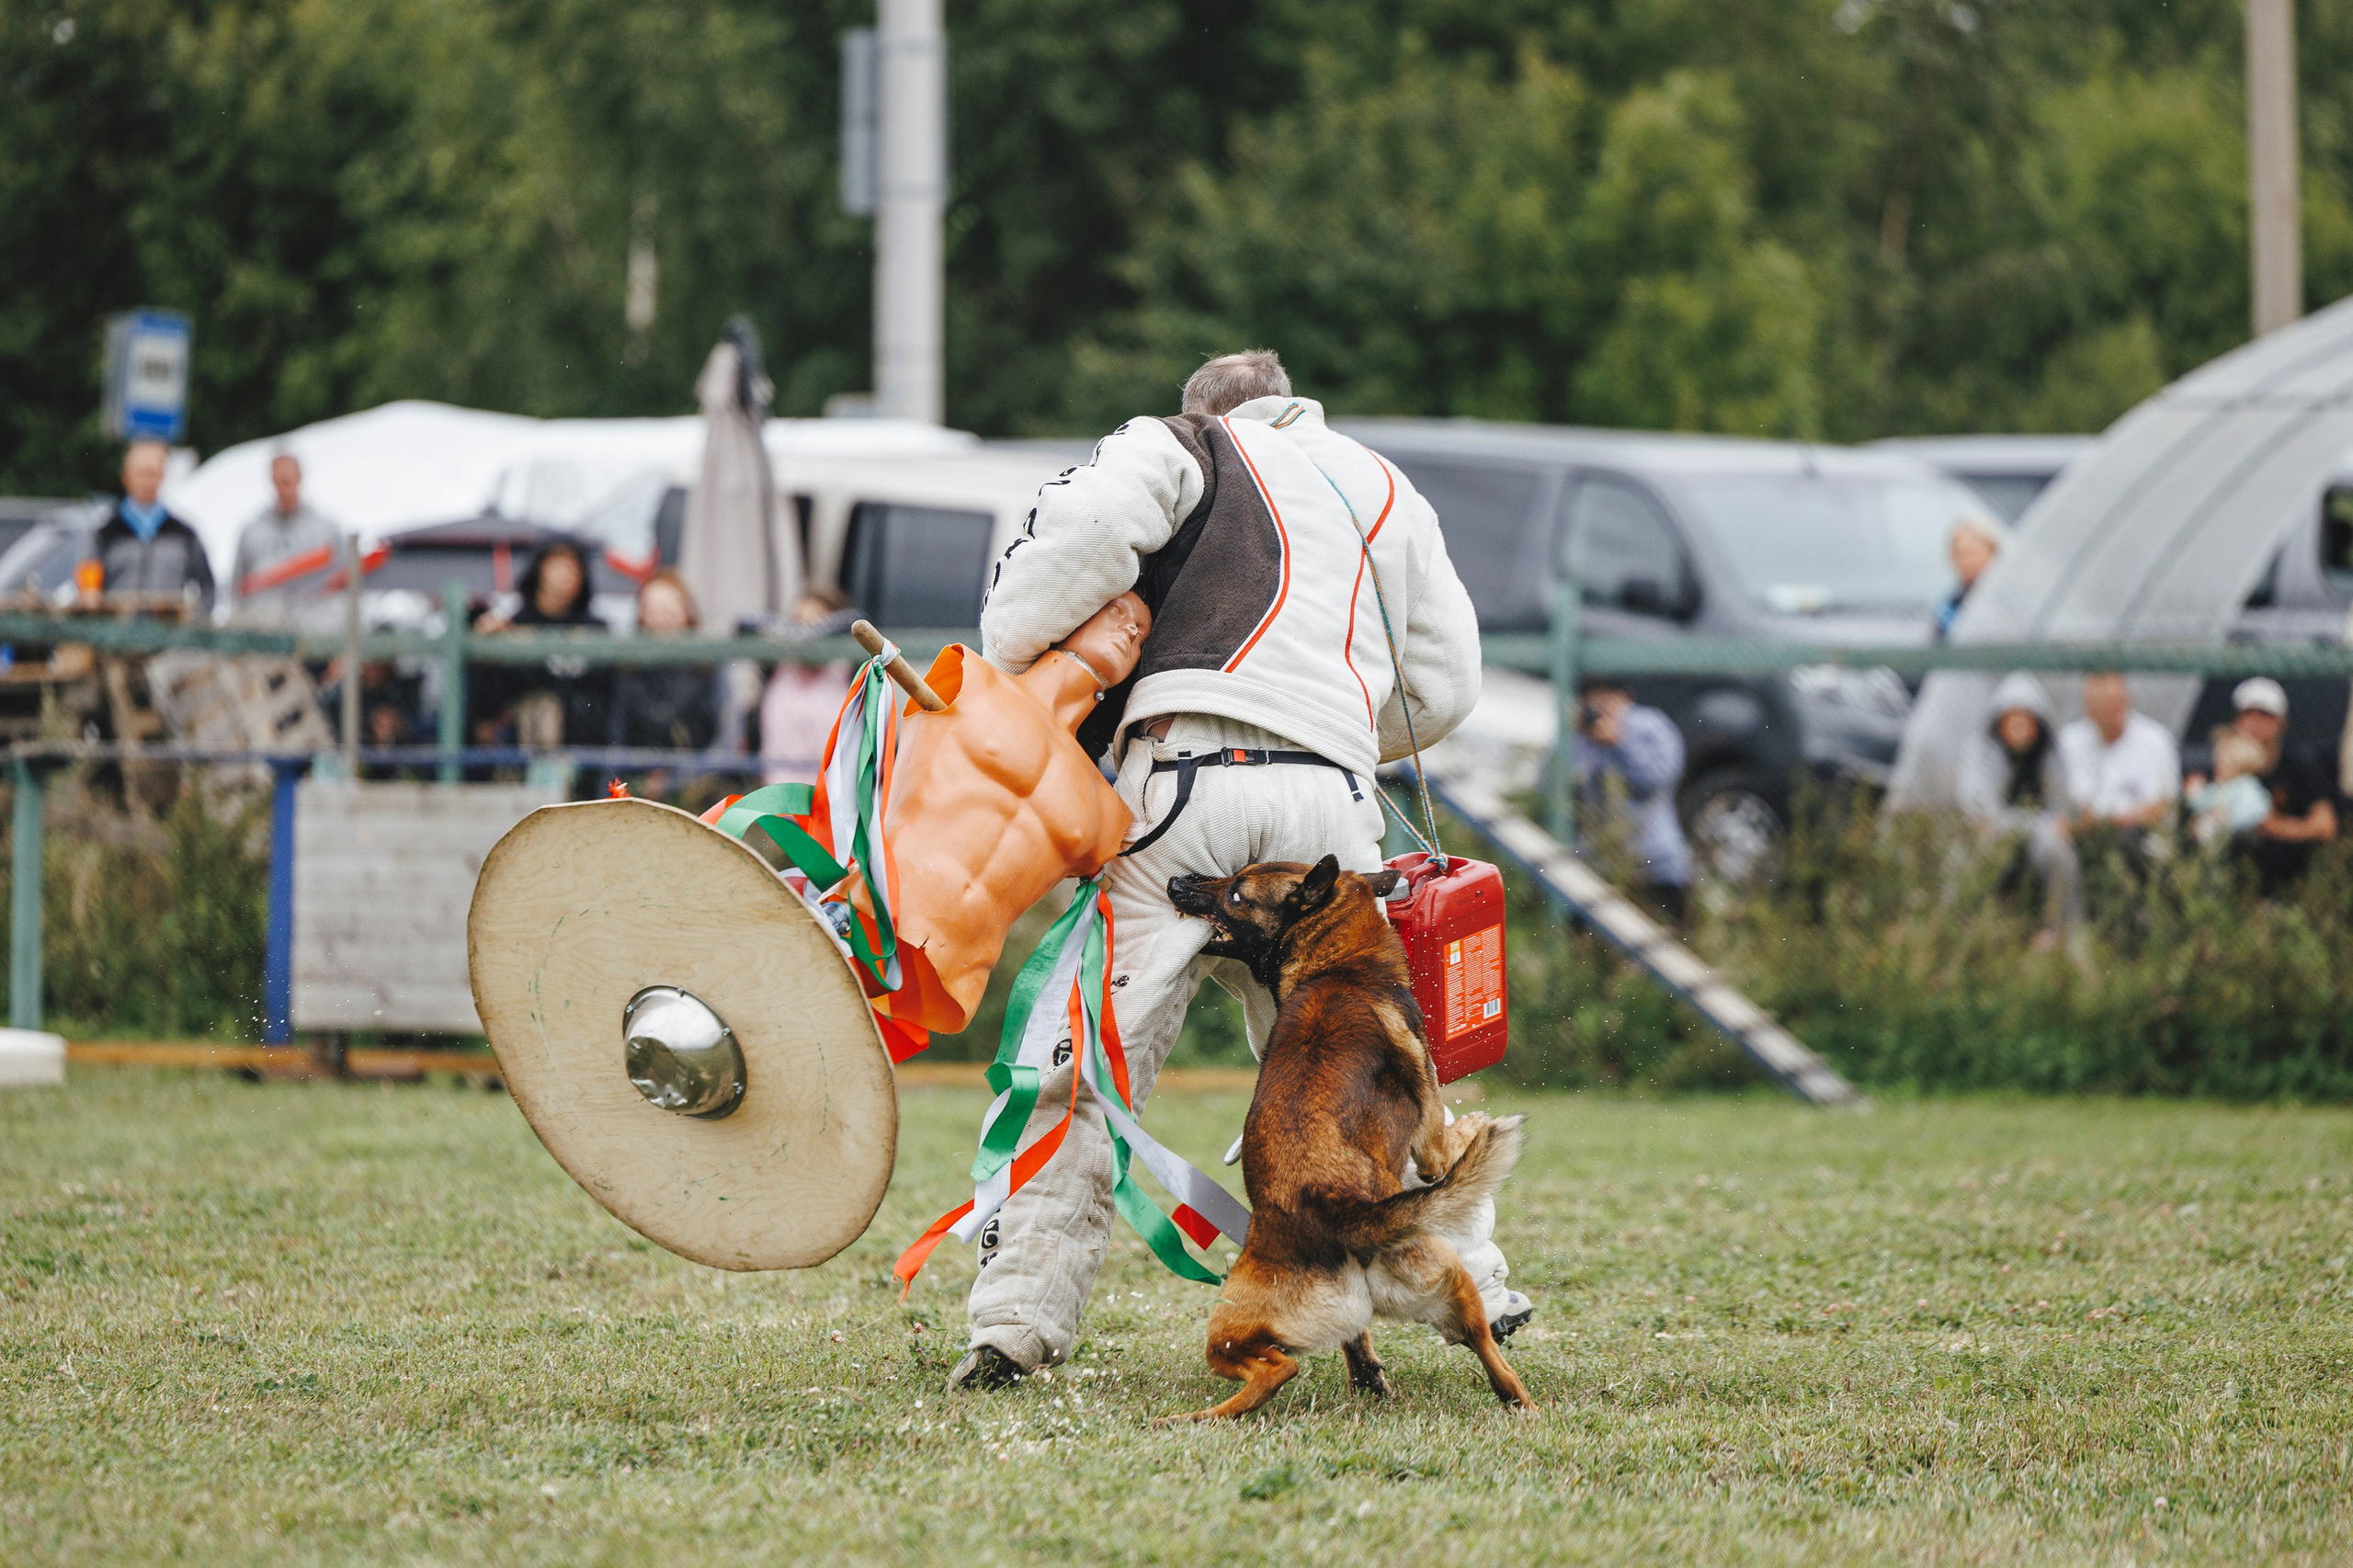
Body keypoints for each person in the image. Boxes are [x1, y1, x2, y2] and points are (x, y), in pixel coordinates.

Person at [954, 347, 1508, 1391]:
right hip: (1333, 809)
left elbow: (1066, 546)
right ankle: (1477, 1281)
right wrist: (1330, 725)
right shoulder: (1380, 481)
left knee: (1083, 1062)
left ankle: (1015, 1326)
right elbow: (1447, 683)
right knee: (1370, 1070)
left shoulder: (1182, 443)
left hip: (1185, 780)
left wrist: (1020, 649)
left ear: (1205, 409)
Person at [1957, 672, 2082, 949]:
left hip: (2040, 834)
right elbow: (1976, 806)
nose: (2018, 727)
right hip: (1996, 833)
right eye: (2011, 720)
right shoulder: (1981, 752)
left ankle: (2060, 930)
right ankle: (1965, 930)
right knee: (1970, 859)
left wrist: (2060, 822)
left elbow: (2063, 803)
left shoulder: (2051, 755)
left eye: (2024, 719)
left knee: (2057, 851)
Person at [2185, 677, 2339, 895]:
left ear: (2281, 723)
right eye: (2247, 714)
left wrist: (2272, 827)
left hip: (2281, 875)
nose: (2254, 723)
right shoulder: (2218, 767)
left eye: (2265, 716)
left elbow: (2326, 826)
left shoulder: (2299, 767)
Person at [1573, 679, 1692, 923]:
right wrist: (1575, 737)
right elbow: (1564, 789)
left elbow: (1654, 779)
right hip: (1601, 864)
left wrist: (1619, 742)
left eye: (1606, 702)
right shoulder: (1584, 735)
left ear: (1624, 698)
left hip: (1656, 863)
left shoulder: (1648, 726)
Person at [473, 538, 609, 747]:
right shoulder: (513, 625)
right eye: (558, 565)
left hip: (583, 743)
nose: (567, 575)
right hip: (524, 740)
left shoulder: (596, 629)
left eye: (574, 567)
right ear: (539, 570)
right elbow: (494, 693)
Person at [90, 438, 214, 612]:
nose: (146, 481)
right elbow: (89, 591)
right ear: (126, 477)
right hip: (117, 635)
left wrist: (195, 627)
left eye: (152, 473)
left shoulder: (184, 534)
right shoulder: (106, 534)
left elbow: (208, 587)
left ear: (162, 476)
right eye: (141, 473)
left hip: (169, 636)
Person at [2056, 672, 2180, 843]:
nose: (2106, 713)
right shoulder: (2068, 741)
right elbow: (2058, 800)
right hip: (2078, 835)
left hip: (2136, 837)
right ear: (2087, 708)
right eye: (2098, 705)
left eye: (2112, 704)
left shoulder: (2156, 741)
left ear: (2126, 702)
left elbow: (2161, 807)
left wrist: (2105, 822)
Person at [608, 572, 719, 752]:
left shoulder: (708, 666)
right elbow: (618, 735)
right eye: (654, 609)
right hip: (638, 772)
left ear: (686, 611)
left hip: (699, 774)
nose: (663, 617)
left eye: (670, 607)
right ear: (642, 616)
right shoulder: (628, 669)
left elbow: (721, 735)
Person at [760, 586, 859, 786]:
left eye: (815, 623)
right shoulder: (780, 670)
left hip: (830, 796)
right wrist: (789, 633)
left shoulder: (848, 672)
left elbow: (857, 619)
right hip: (780, 796)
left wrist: (820, 632)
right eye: (798, 623)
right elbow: (745, 622)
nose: (805, 633)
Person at [229, 449, 342, 620]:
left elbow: (342, 582)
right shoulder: (253, 532)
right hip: (263, 631)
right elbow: (237, 587)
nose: (284, 489)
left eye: (288, 481)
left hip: (313, 630)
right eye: (278, 481)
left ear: (300, 477)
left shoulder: (325, 530)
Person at [2185, 728, 2274, 848]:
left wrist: (2228, 817)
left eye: (2225, 764)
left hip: (2235, 842)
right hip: (2210, 839)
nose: (2218, 767)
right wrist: (2194, 795)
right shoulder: (2218, 786)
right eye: (2217, 762)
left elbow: (2257, 809)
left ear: (2241, 766)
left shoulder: (2247, 788)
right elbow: (2203, 803)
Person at [1934, 512, 2007, 639]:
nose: (1966, 562)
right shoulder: (1949, 605)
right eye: (1959, 554)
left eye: (1971, 553)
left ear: (1992, 552)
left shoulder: (2006, 601)